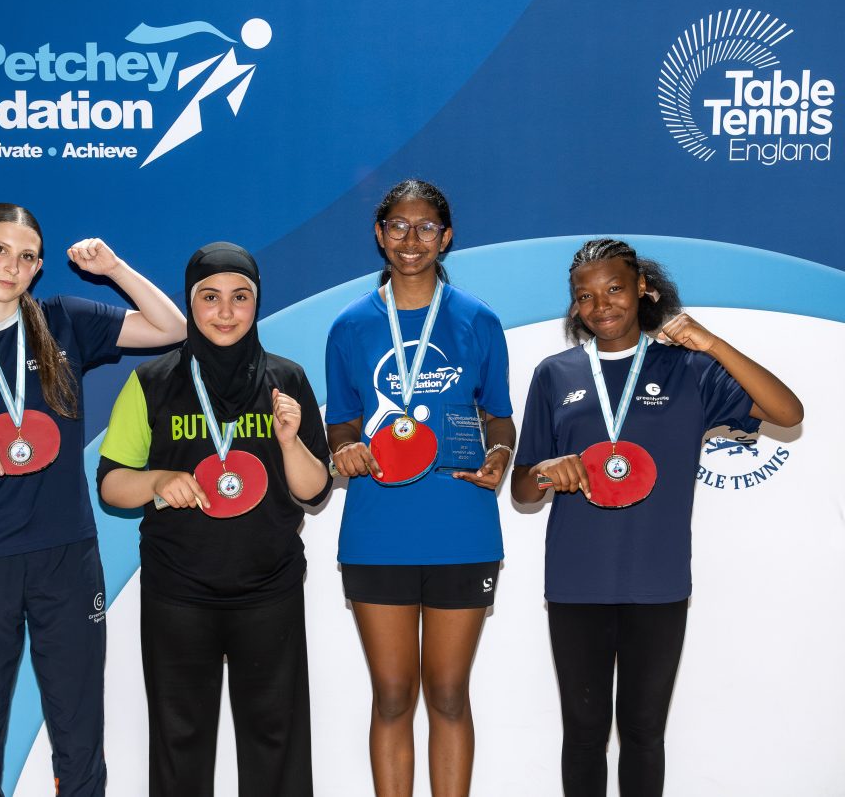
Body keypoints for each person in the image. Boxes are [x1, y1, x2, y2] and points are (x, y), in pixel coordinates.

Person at [0, 203, 187, 797]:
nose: (12, 266)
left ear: (38, 269)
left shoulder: (65, 320)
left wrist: (114, 269)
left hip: (66, 554)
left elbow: (172, 328)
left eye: (27, 257)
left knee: (79, 731)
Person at [510, 238, 804, 797]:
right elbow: (524, 490)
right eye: (585, 296)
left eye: (614, 288)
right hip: (576, 581)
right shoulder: (555, 374)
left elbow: (788, 412)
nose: (601, 305)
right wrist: (546, 470)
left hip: (658, 580)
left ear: (643, 288)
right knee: (584, 734)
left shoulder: (688, 369)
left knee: (644, 733)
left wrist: (711, 343)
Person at [97, 242, 331, 796]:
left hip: (269, 588)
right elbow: (110, 484)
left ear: (256, 303)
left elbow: (314, 490)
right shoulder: (152, 381)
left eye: (240, 297)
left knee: (277, 742)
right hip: (178, 592)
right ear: (190, 301)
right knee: (180, 745)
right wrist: (157, 481)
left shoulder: (287, 380)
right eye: (210, 297)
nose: (225, 312)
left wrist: (289, 441)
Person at [325, 179, 516, 796]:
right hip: (378, 533)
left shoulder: (478, 320)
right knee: (391, 695)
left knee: (449, 694)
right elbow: (341, 421)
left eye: (427, 227)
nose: (412, 239)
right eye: (399, 227)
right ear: (379, 235)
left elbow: (499, 416)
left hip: (462, 528)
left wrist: (501, 453)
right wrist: (342, 447)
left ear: (446, 236)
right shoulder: (350, 326)